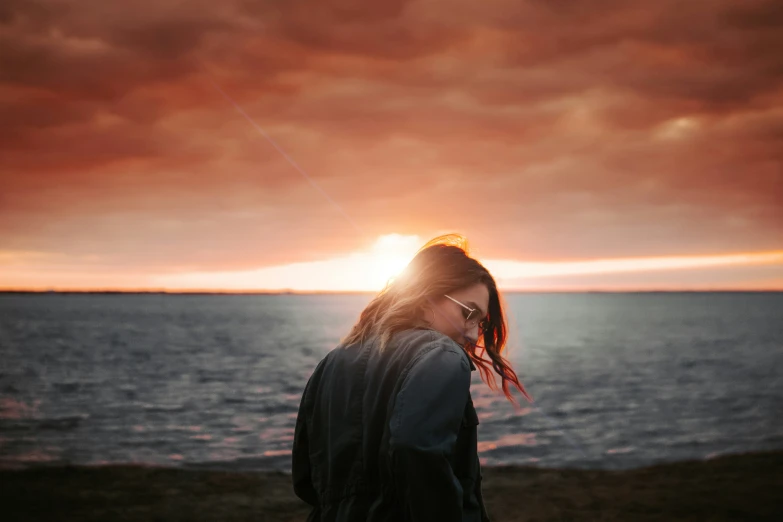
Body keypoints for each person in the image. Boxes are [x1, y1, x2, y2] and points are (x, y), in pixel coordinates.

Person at [292, 235, 530, 522]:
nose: (472, 334)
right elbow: (415, 447)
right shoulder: (441, 353)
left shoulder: (330, 362)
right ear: (426, 295)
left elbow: (305, 478)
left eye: (482, 323)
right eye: (468, 313)